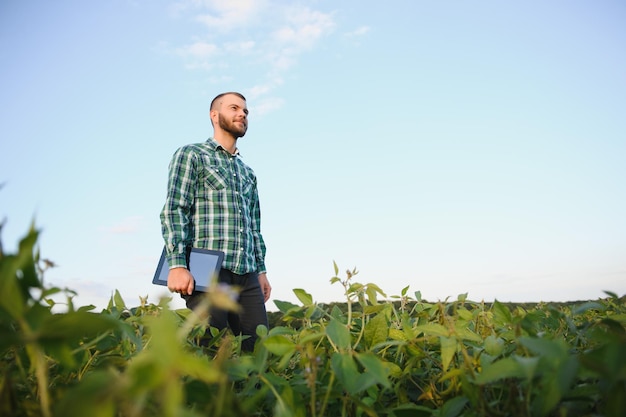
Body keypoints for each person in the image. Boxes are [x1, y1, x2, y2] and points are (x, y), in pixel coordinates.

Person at [160, 92, 271, 352]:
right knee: (210, 351)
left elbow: (254, 226)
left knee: (258, 355)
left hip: (247, 272)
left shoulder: (248, 173)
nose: (242, 114)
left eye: (245, 111)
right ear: (214, 115)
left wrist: (262, 270)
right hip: (207, 268)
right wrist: (176, 264)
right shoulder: (191, 155)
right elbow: (175, 208)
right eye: (234, 108)